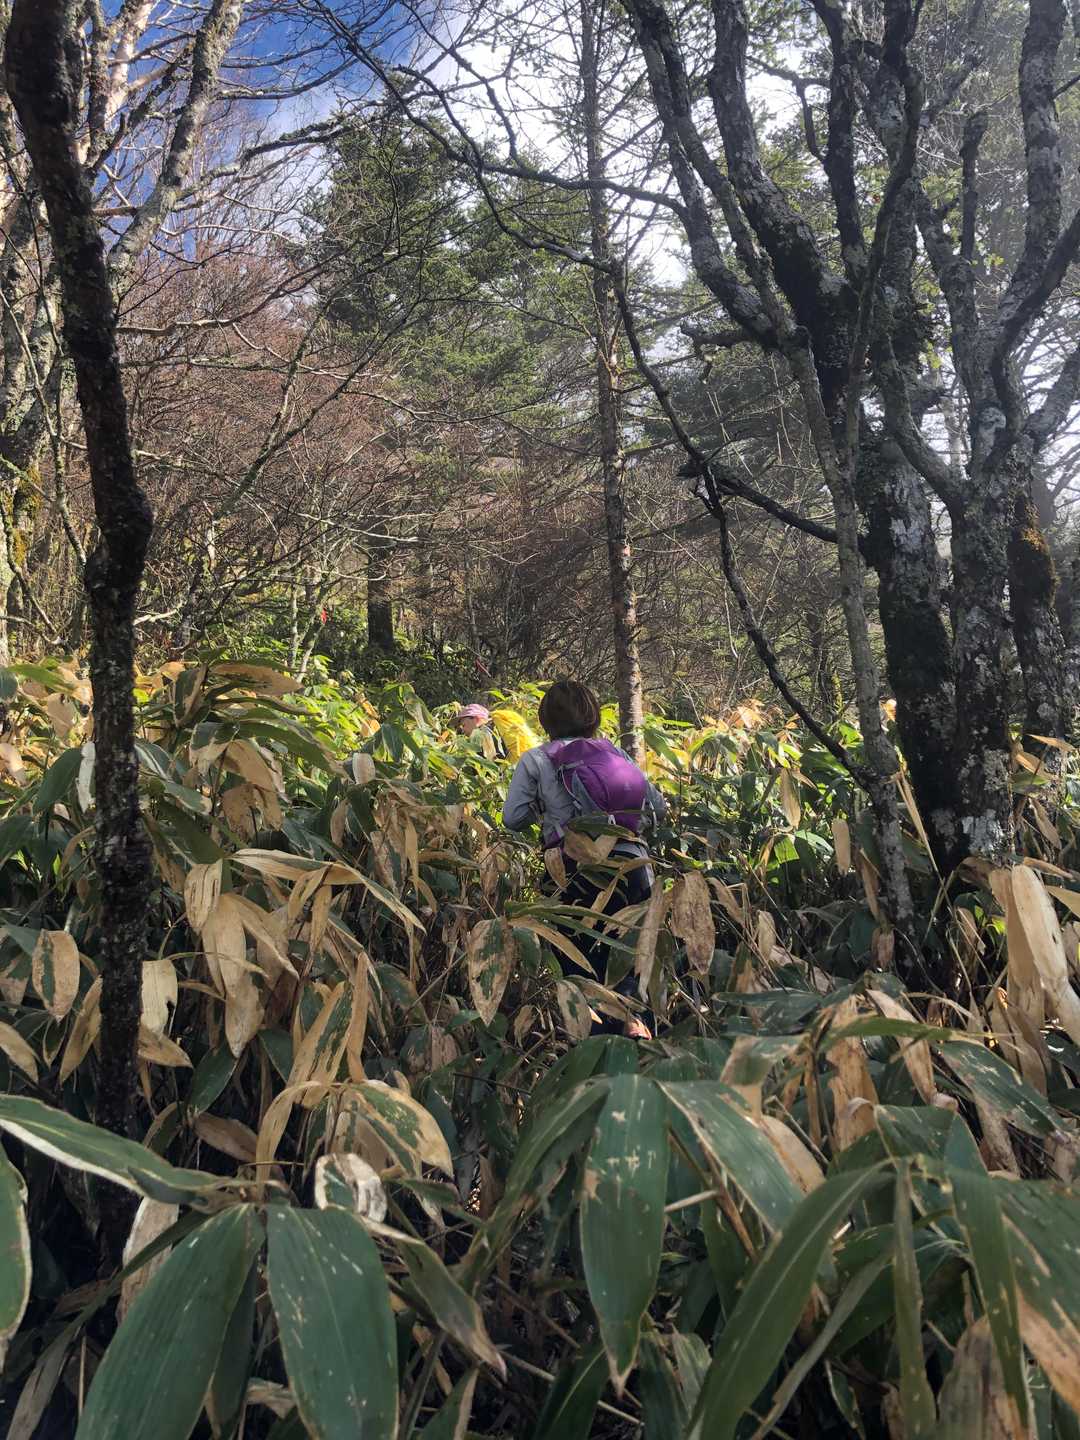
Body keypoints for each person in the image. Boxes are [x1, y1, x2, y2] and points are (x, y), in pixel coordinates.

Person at [502, 679, 666, 1038]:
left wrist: (545, 810)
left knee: (580, 966)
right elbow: (657, 807)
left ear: (546, 719)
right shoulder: (615, 754)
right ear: (593, 714)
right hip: (634, 865)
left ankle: (595, 1050)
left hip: (573, 870)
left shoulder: (537, 759)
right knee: (633, 962)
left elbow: (512, 818)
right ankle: (640, 1041)